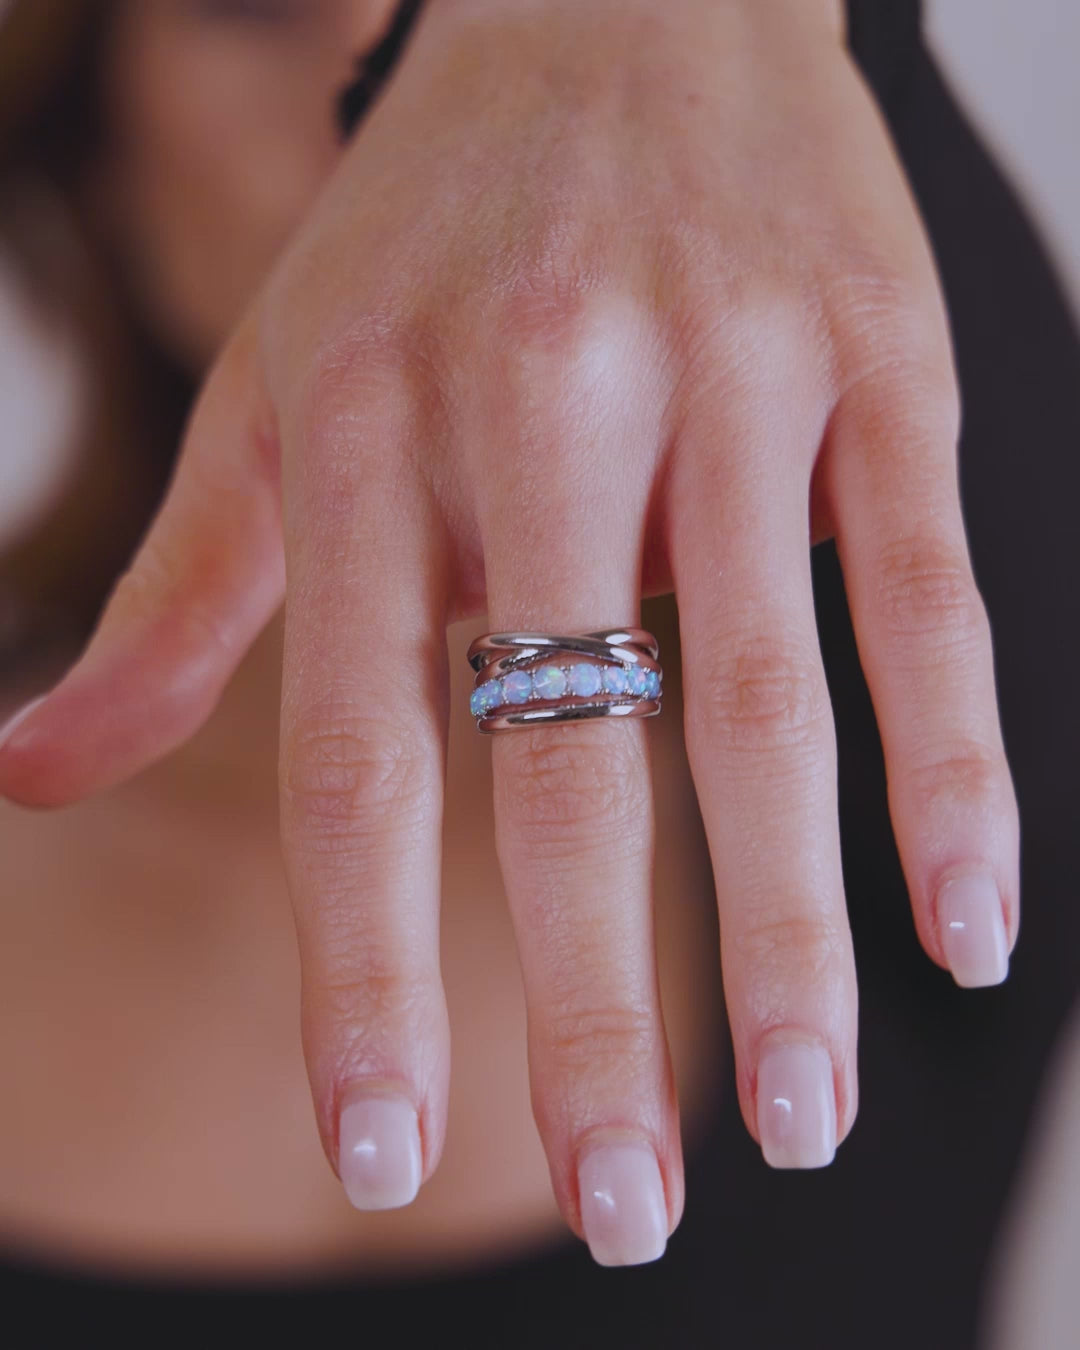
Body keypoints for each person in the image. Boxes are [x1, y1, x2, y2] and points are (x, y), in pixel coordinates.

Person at [0, 1, 1076, 1344]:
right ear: (98, 159)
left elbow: (927, 304)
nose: (379, 71)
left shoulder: (893, 746)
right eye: (261, 1)